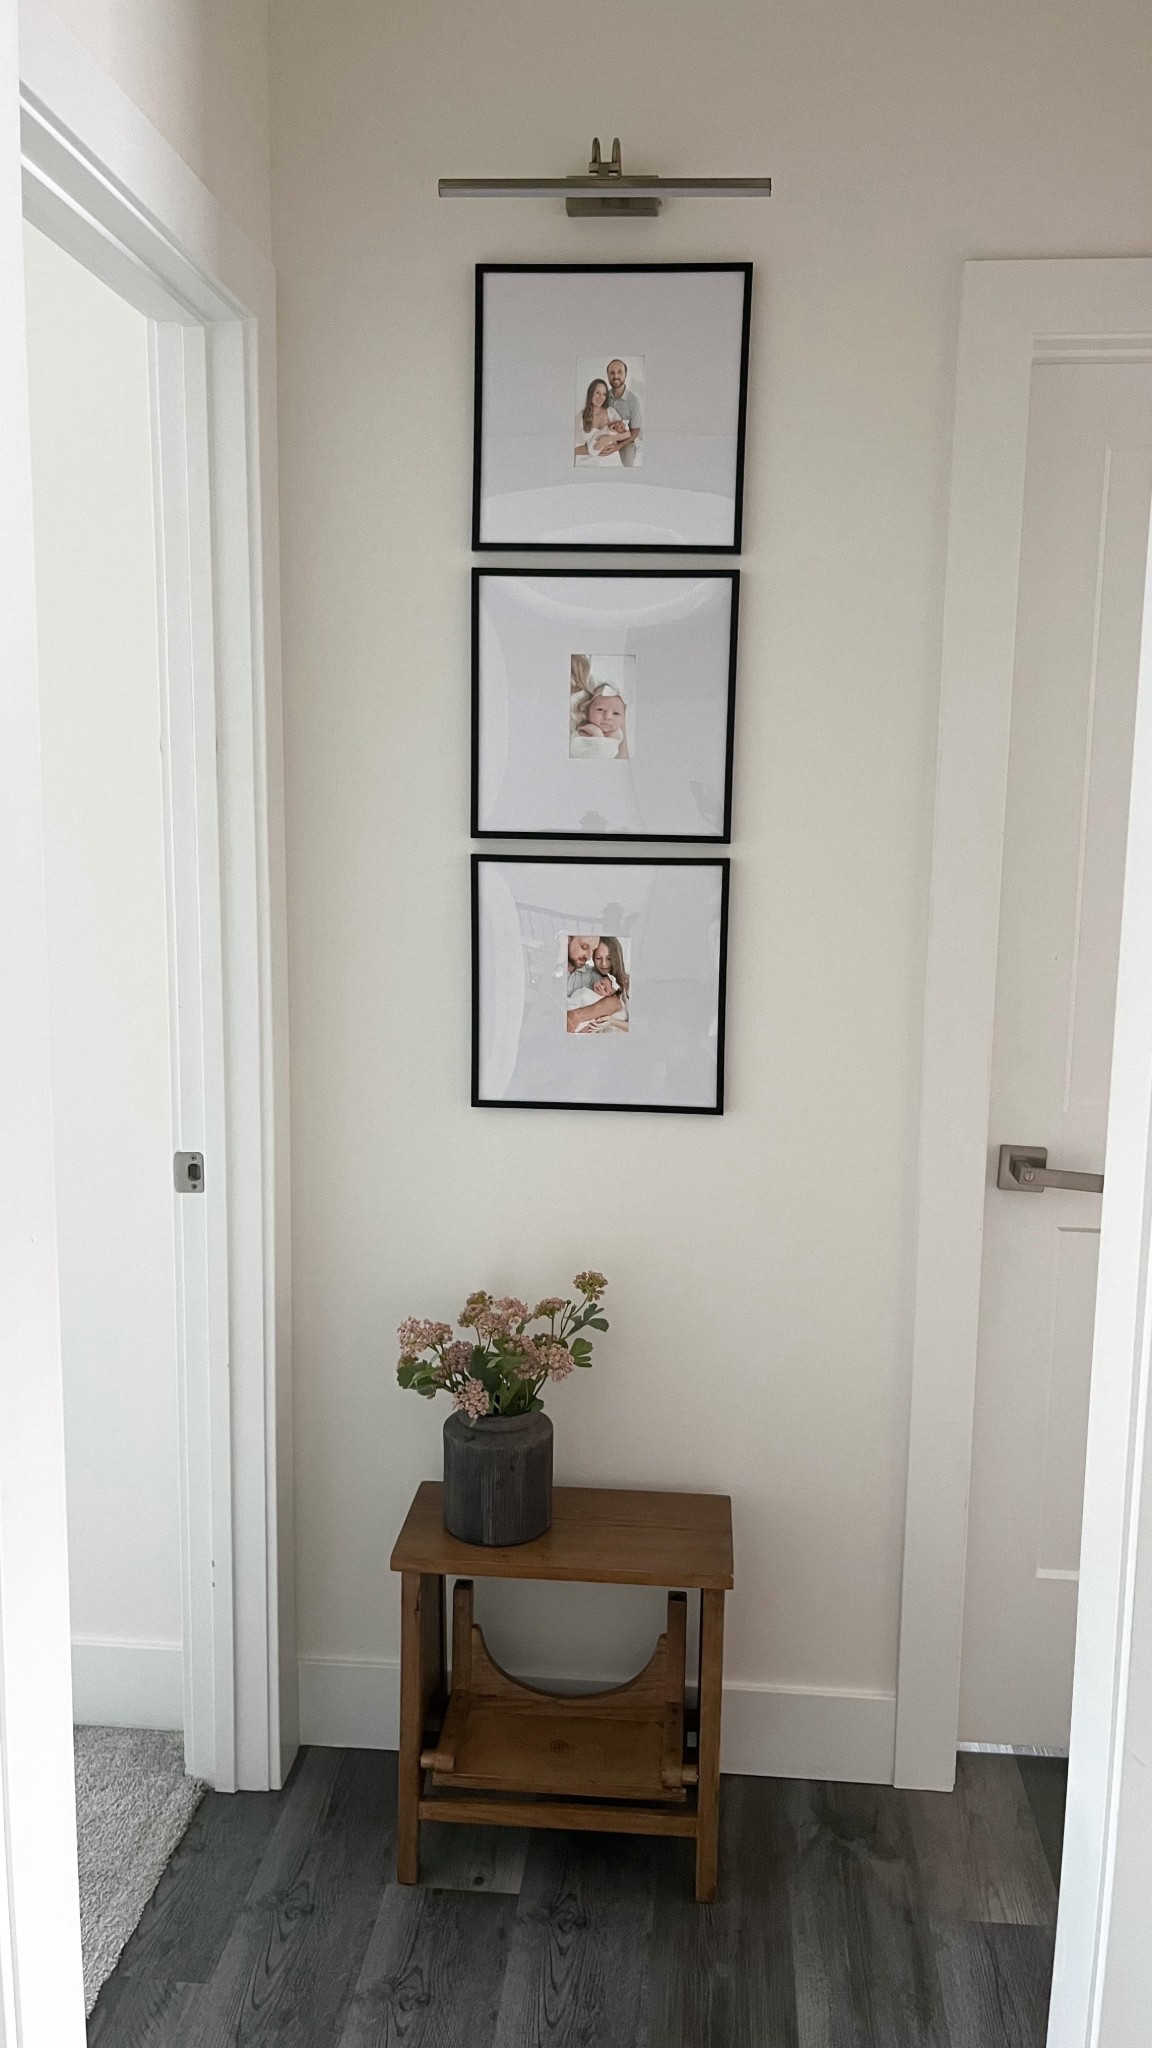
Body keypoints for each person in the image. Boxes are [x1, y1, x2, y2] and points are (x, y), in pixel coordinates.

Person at [565, 934, 628, 1032]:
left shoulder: (595, 977)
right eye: (598, 958)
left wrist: (576, 1016)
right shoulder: (599, 978)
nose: (604, 964)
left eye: (609, 958)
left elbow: (614, 1003)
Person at [574, 379, 627, 465]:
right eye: (597, 393)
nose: (601, 397)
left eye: (604, 394)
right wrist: (596, 449)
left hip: (611, 462)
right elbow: (574, 450)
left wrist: (610, 440)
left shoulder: (610, 412)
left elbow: (627, 434)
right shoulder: (580, 417)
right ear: (590, 393)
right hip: (588, 464)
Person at [570, 683, 628, 761]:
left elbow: (605, 753)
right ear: (587, 711)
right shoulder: (582, 725)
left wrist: (597, 734)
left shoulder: (616, 733)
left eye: (616, 713)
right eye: (600, 710)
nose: (608, 717)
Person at [605, 358, 642, 466]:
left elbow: (635, 432)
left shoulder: (634, 400)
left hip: (627, 442)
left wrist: (617, 447)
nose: (615, 376)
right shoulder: (603, 397)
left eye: (619, 372)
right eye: (612, 373)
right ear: (607, 376)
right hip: (607, 437)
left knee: (627, 465)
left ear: (626, 374)